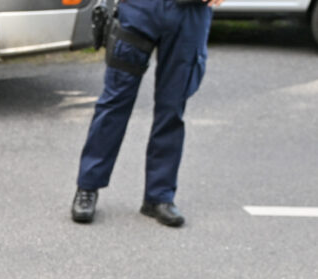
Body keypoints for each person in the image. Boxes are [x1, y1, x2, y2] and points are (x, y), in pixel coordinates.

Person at [71, 0, 223, 227]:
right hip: (140, 9)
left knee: (172, 108)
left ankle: (159, 197)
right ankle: (88, 186)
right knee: (115, 101)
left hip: (189, 12)